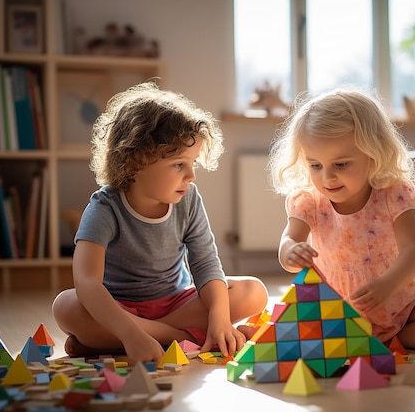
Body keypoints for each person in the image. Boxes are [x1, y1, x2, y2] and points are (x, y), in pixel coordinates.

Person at [52, 81, 269, 364]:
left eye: (193, 164)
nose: (191, 175)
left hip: (177, 302)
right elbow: (87, 283)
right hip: (119, 309)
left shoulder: (188, 198)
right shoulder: (105, 207)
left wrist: (219, 320)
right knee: (65, 306)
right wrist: (129, 332)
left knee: (253, 292)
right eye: (179, 164)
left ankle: (110, 343)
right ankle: (176, 337)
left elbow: (205, 264)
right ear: (135, 162)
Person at [268, 88, 415, 353]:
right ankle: (372, 340)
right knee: (288, 333)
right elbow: (288, 242)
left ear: (373, 153)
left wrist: (389, 285)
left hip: (409, 302)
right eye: (316, 165)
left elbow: (414, 250)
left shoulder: (393, 194)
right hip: (341, 313)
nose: (327, 177)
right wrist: (291, 252)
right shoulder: (308, 201)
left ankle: (397, 337)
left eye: (341, 164)